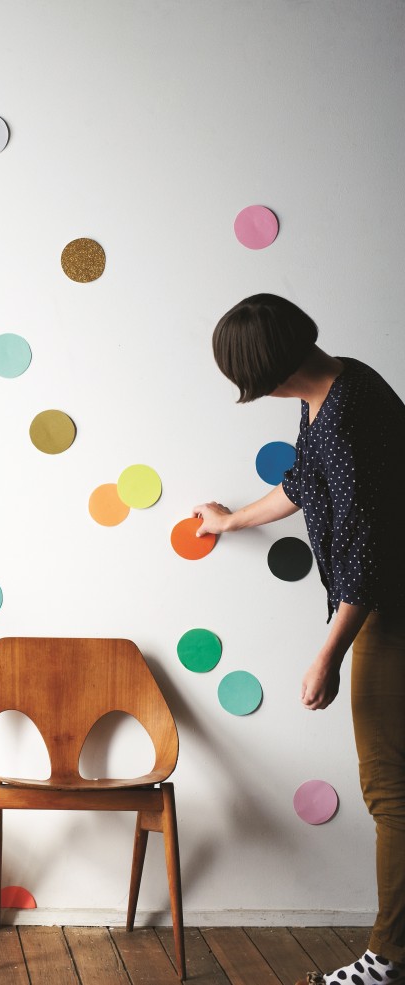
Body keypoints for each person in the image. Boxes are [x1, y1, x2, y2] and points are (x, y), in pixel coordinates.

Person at [193, 294, 405, 985]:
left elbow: (367, 555)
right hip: (381, 602)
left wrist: (328, 655)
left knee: (390, 789)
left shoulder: (343, 419)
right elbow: (302, 484)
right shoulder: (340, 383)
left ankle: (390, 959)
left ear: (268, 373)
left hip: (389, 610)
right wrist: (230, 521)